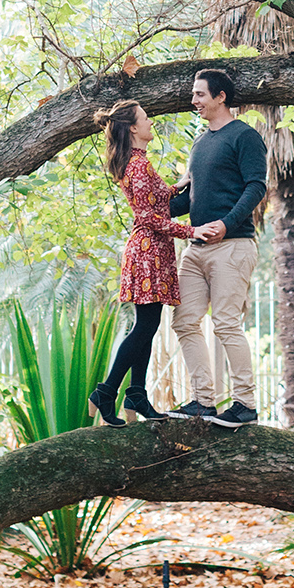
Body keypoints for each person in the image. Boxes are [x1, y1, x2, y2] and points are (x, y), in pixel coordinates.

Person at [168, 68, 268, 427]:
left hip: (234, 245)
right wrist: (148, 203)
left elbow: (256, 186)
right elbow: (190, 200)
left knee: (226, 324)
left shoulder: (244, 136)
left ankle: (245, 404)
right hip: (195, 250)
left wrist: (226, 224)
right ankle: (203, 402)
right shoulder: (199, 143)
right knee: (184, 321)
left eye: (199, 94)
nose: (193, 101)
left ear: (220, 96)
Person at [89, 100, 196, 425]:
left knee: (147, 328)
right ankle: (106, 392)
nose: (151, 122)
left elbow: (160, 198)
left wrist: (184, 182)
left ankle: (136, 393)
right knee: (144, 327)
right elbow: (147, 216)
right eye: (146, 118)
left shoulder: (140, 163)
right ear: (133, 128)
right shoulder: (136, 166)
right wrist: (191, 230)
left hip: (154, 251)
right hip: (148, 251)